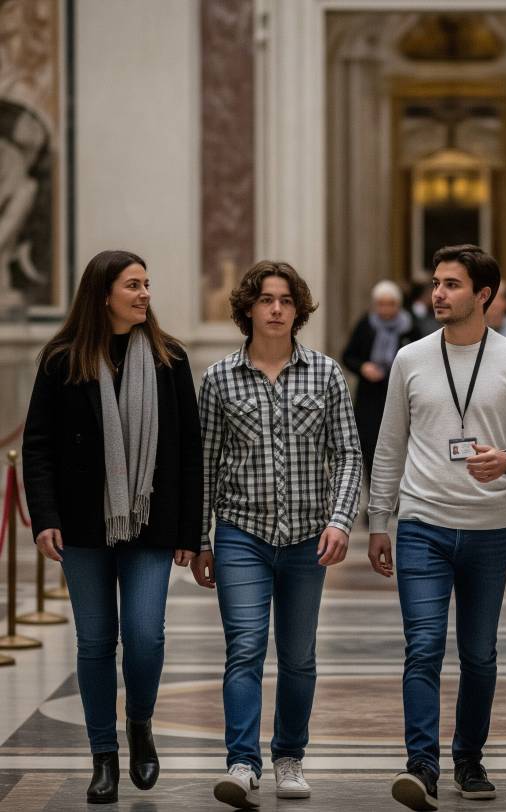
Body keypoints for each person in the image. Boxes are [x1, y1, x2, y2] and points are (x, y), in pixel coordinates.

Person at [367, 244, 506, 811]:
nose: (438, 294)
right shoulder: (410, 358)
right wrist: (380, 521)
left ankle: (469, 758)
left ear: (483, 295)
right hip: (423, 523)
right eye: (436, 283)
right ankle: (421, 765)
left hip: (489, 528)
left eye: (452, 284)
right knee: (422, 647)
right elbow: (389, 446)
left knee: (478, 653)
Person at [22, 249, 202, 804]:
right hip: (82, 526)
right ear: (103, 295)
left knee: (145, 637)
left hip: (149, 521)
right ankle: (104, 755)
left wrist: (189, 534)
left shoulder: (170, 359)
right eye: (133, 286)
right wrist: (44, 519)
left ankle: (140, 726)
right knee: (96, 641)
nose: (145, 294)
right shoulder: (61, 361)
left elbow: (189, 450)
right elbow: (38, 447)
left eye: (147, 284)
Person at [191, 260, 362, 809]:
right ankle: (242, 763)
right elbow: (205, 462)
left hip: (307, 536)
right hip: (242, 532)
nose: (276, 309)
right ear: (247, 308)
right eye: (266, 299)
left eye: (286, 300)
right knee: (244, 648)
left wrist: (339, 521)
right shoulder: (219, 378)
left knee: (298, 655)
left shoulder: (327, 374)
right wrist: (201, 539)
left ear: (298, 309)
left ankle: (289, 758)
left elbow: (349, 454)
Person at [342, 280, 421, 478]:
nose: (385, 309)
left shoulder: (409, 326)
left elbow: (420, 357)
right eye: (381, 304)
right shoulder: (366, 324)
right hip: (370, 394)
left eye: (390, 304)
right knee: (370, 444)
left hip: (399, 392)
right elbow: (348, 355)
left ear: (398, 304)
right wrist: (363, 367)